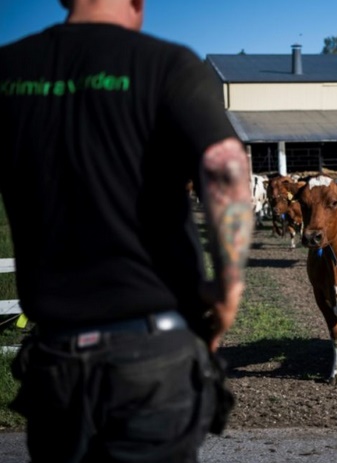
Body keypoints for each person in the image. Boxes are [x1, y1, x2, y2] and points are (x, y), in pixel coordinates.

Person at [0, 0, 254, 462]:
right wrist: (229, 286)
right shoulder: (167, 64)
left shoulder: (10, 69)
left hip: (55, 359)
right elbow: (225, 165)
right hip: (151, 352)